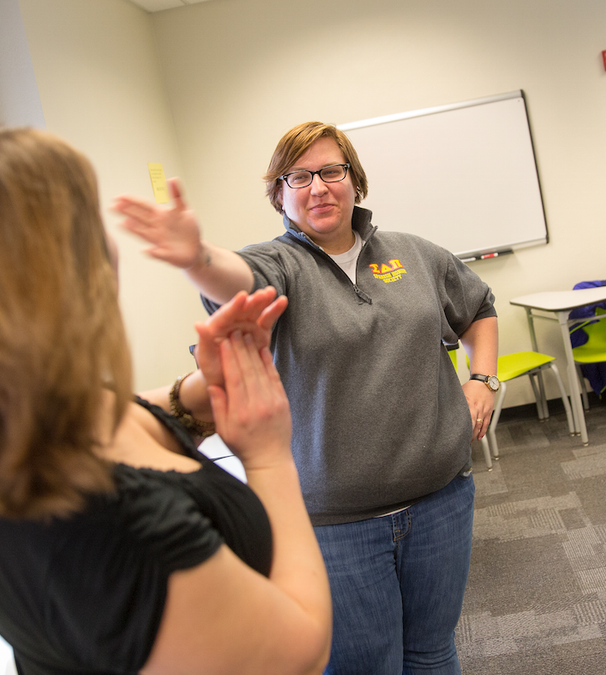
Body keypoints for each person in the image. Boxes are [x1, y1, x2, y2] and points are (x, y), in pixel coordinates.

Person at [0, 127, 331, 675]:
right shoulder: (125, 527)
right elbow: (299, 650)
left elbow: (115, 421)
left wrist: (200, 390)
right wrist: (269, 455)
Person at [116, 121, 499, 674]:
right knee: (367, 666)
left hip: (441, 499)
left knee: (433, 652)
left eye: (330, 171)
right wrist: (197, 258)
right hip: (337, 524)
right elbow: (238, 280)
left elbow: (479, 306)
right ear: (280, 194)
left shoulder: (415, 255)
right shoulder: (280, 266)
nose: (317, 187)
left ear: (354, 181)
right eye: (298, 177)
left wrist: (480, 380)